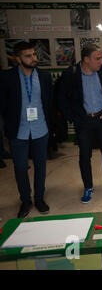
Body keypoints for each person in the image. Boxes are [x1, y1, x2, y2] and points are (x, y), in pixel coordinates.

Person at [59, 44, 102, 204]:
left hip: (101, 119)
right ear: (86, 60)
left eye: (101, 57)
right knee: (85, 155)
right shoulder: (71, 74)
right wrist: (74, 118)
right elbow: (61, 98)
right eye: (97, 58)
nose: (101, 61)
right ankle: (88, 187)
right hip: (84, 121)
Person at [0, 41, 53, 217]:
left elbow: (49, 103)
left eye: (34, 55)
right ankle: (25, 200)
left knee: (40, 166)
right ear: (17, 59)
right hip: (19, 131)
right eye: (28, 56)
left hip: (40, 129)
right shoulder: (7, 77)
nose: (33, 58)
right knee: (21, 167)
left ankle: (39, 198)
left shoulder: (44, 76)